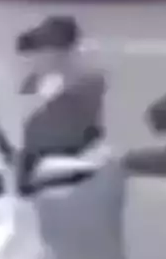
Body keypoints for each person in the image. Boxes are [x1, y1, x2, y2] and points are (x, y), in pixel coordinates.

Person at [15, 14, 107, 166]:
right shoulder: (87, 74)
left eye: (46, 48)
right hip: (65, 150)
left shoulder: (78, 78)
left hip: (62, 153)